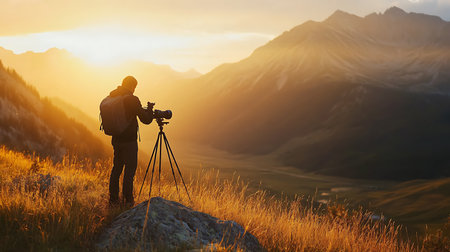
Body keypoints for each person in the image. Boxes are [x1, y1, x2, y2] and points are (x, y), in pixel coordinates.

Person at [108, 76, 153, 206]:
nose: (134, 90)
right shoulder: (132, 99)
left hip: (116, 139)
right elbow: (146, 119)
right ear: (132, 86)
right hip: (129, 142)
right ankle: (128, 201)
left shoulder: (113, 96)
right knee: (129, 171)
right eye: (134, 87)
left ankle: (113, 200)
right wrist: (149, 109)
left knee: (116, 169)